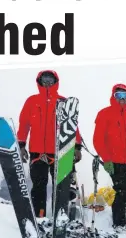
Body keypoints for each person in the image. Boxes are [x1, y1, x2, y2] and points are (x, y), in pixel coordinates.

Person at [17, 70, 82, 219]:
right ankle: (40, 218)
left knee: (61, 189)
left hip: (61, 152)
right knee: (39, 187)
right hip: (37, 153)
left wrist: (77, 147)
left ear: (55, 82)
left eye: (50, 80)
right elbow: (24, 125)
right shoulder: (32, 101)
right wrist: (21, 145)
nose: (47, 82)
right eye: (44, 79)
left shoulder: (63, 101)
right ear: (39, 81)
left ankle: (59, 219)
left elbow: (73, 127)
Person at [93, 84, 126, 233]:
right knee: (122, 192)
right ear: (113, 96)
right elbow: (98, 140)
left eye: (125, 96)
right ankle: (119, 224)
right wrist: (107, 159)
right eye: (119, 96)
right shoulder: (104, 114)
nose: (122, 99)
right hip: (114, 161)